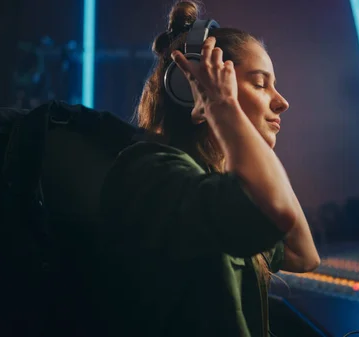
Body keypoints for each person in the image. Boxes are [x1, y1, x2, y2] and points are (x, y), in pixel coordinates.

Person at [94, 1, 320, 336]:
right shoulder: (152, 173)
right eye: (260, 83)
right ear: (192, 89)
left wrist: (248, 140)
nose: (281, 101)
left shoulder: (213, 182)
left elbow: (304, 255)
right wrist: (223, 105)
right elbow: (276, 211)